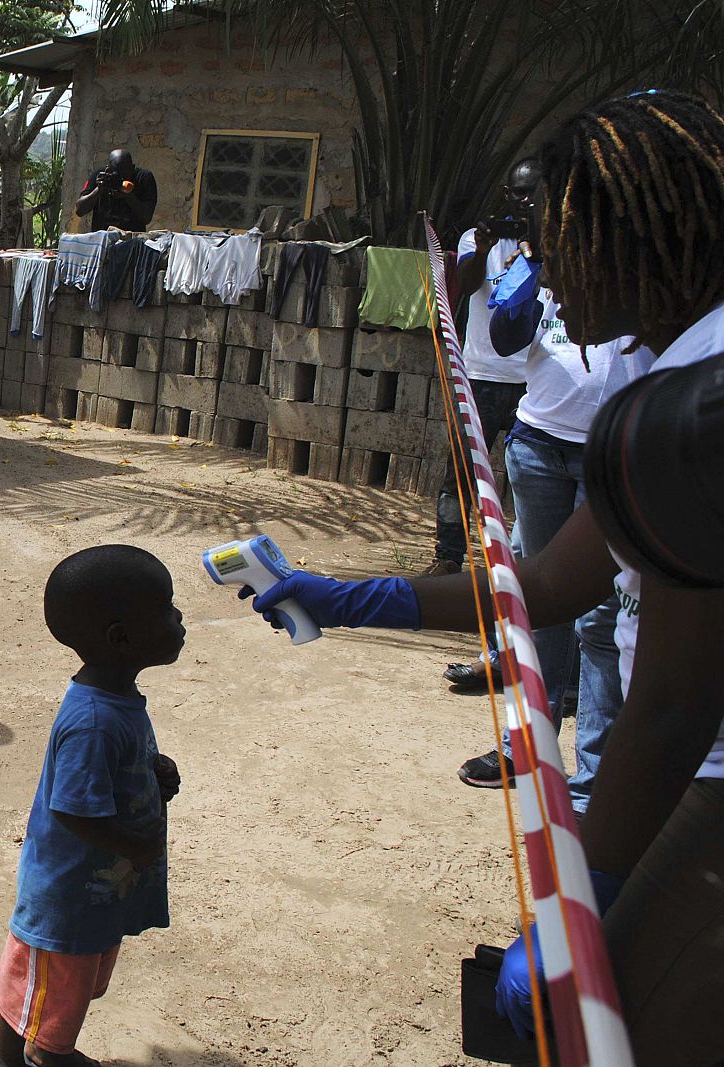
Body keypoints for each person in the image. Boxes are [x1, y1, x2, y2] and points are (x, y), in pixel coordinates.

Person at [241, 89, 724, 1061]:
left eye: (556, 247)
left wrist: (569, 909)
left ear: (627, 241)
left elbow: (672, 708)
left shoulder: (695, 410)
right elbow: (544, 587)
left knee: (612, 1019)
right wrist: (345, 596)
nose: (540, 281)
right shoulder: (660, 362)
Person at [0, 544, 184, 1067]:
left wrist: (154, 773)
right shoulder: (94, 719)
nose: (178, 617)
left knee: (45, 977)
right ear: (122, 637)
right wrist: (134, 843)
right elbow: (72, 807)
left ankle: (5, 1059)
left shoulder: (116, 699)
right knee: (56, 980)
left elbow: (109, 775)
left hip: (91, 883)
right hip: (71, 886)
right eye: (165, 608)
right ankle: (50, 1056)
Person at [455, 287, 648, 794]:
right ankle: (524, 749)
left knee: (601, 619)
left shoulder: (647, 265)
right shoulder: (554, 260)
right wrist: (526, 274)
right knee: (534, 607)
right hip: (539, 442)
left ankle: (592, 782)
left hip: (615, 453)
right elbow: (505, 340)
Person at [424, 160, 538, 579]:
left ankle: (523, 565)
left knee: (529, 478)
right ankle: (448, 556)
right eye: (521, 193)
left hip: (535, 380)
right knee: (461, 472)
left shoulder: (559, 238)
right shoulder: (478, 237)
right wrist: (488, 250)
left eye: (536, 192)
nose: (528, 201)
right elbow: (467, 283)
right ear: (507, 196)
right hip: (482, 375)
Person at [74, 149, 158, 233]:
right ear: (108, 168)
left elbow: (146, 217)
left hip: (131, 239)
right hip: (103, 238)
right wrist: (98, 190)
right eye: (116, 172)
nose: (120, 177)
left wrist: (128, 195)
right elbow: (79, 211)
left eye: (124, 172)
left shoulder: (143, 178)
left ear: (132, 168)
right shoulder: (100, 177)